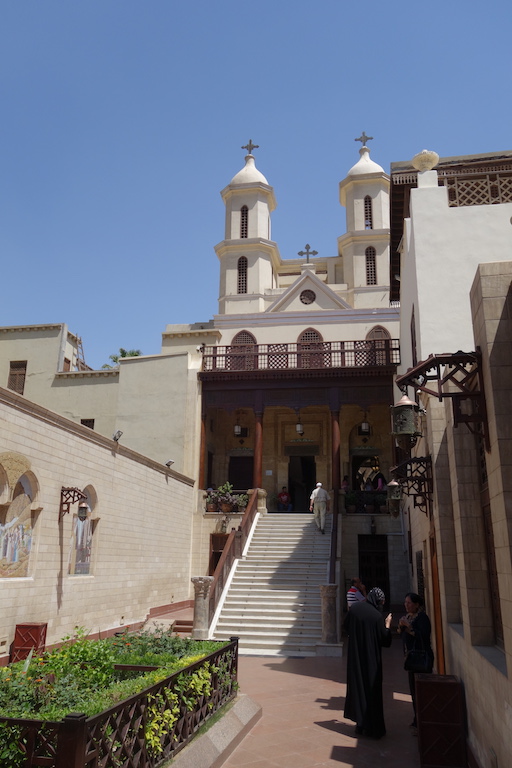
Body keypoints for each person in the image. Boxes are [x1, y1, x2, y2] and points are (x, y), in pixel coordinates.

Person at [343, 587, 392, 739]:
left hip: (356, 658)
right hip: (371, 661)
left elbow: (346, 628)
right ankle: (372, 728)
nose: (382, 604)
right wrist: (388, 625)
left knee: (358, 688)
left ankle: (360, 724)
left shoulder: (356, 609)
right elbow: (385, 640)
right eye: (381, 602)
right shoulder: (377, 616)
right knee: (372, 691)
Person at [397, 592, 434, 729]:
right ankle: (417, 719)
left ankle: (424, 721)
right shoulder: (408, 617)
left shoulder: (422, 618)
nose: (406, 605)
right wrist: (401, 626)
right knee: (413, 690)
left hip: (421, 658)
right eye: (405, 602)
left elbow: (423, 636)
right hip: (411, 658)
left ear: (417, 604)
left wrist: (409, 626)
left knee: (421, 691)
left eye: (409, 603)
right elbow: (402, 633)